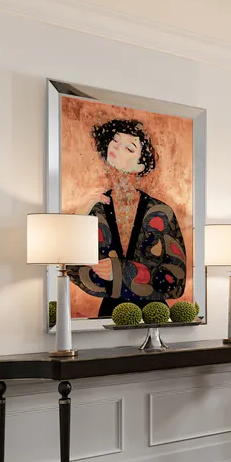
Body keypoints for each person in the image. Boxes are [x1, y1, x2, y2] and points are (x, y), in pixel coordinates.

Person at [68, 117, 188, 316]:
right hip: (107, 318)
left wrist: (120, 271)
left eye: (129, 148)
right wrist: (81, 213)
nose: (116, 147)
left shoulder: (160, 212)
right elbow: (71, 266)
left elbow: (177, 280)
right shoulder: (94, 208)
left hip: (154, 316)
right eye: (115, 141)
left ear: (140, 166)